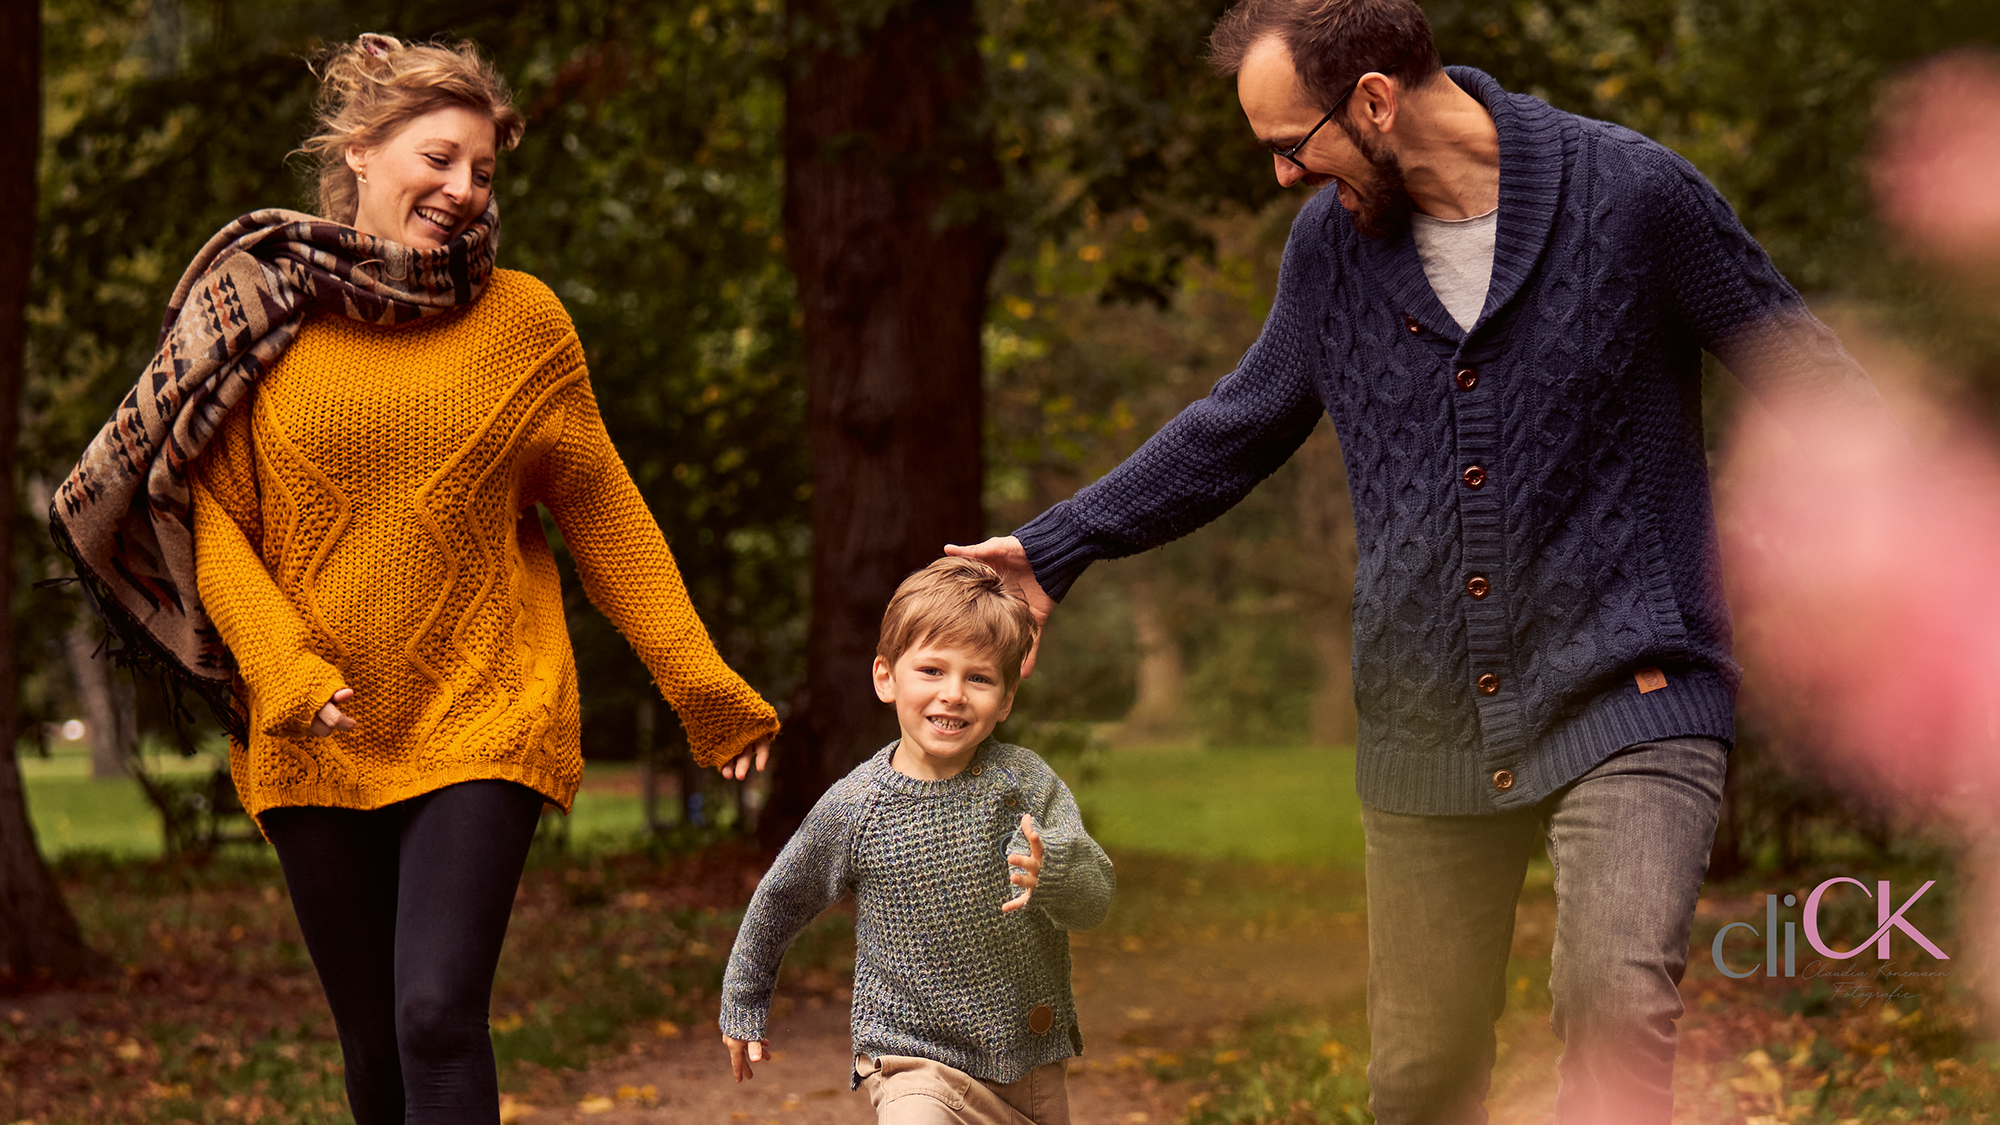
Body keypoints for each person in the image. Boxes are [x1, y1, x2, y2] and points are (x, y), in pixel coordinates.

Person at [946, 1, 1890, 1122]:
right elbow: (1238, 424)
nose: (1285, 179)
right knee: (1421, 1076)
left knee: (1612, 1007)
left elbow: (1816, 389)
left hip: (1633, 681)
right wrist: (1058, 546)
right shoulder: (1333, 252)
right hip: (1426, 714)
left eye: (1291, 146)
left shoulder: (1632, 197)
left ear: (1376, 101)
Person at [48, 34, 778, 1124]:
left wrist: (699, 682)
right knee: (373, 1046)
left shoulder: (523, 324)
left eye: (483, 173)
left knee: (436, 1014)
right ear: (362, 151)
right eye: (440, 160)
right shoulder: (258, 311)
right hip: (310, 725)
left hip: (485, 702)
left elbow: (605, 512)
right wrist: (284, 667)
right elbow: (206, 516)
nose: (463, 191)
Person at [718, 557, 1114, 1125]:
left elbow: (1096, 899)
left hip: (1027, 1061)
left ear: (1004, 700)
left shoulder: (1026, 784)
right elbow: (783, 896)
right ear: (886, 678)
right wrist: (744, 1000)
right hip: (909, 1059)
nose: (953, 694)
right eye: (932, 670)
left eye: (978, 678)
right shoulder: (857, 806)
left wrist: (1053, 870)